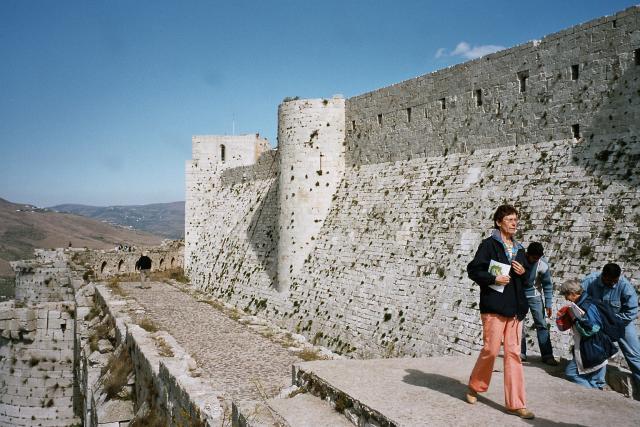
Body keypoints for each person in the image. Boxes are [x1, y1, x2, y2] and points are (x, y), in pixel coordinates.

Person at [466, 204, 533, 419]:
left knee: (513, 354)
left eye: (516, 220)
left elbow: (527, 280)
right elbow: (474, 269)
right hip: (494, 306)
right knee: (491, 350)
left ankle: (516, 403)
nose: (514, 223)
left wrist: (524, 272)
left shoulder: (520, 249)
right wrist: (494, 278)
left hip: (515, 308)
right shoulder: (489, 245)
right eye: (510, 220)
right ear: (498, 222)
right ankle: (475, 386)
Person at [581, 263, 639, 391]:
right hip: (599, 322)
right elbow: (579, 299)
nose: (612, 284)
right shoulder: (590, 281)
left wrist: (613, 321)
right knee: (598, 351)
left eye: (615, 281)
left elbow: (632, 311)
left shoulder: (625, 286)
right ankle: (598, 383)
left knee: (634, 354)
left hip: (621, 322)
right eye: (609, 281)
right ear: (603, 276)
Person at [556, 279, 609, 388]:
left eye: (566, 295)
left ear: (573, 293)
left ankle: (591, 391)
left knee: (571, 373)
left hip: (591, 346)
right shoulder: (588, 301)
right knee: (598, 380)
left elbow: (593, 328)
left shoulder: (584, 306)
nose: (566, 298)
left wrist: (574, 319)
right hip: (599, 346)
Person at [520, 242, 558, 365]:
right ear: (527, 255)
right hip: (519, 295)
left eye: (538, 257)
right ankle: (521, 353)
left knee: (541, 324)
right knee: (519, 325)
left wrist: (548, 304)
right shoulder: (519, 260)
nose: (536, 260)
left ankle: (547, 355)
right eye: (533, 257)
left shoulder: (543, 265)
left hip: (535, 296)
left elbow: (547, 285)